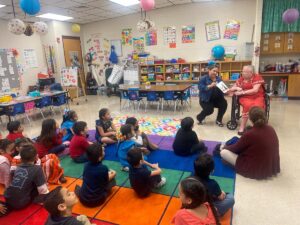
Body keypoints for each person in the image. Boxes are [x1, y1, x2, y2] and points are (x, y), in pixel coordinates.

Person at [220, 106, 280, 179]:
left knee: (223, 152)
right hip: (270, 164)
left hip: (255, 168)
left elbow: (235, 149)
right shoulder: (270, 128)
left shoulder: (251, 134)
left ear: (250, 119)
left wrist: (224, 147)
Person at [4, 144, 49, 211]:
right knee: (42, 185)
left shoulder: (17, 167)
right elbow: (42, 189)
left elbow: (10, 180)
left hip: (7, 197)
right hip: (20, 203)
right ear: (36, 157)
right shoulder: (37, 169)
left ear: (21, 159)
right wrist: (45, 198)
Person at [230, 65, 266, 135]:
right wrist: (236, 88)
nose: (243, 73)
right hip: (245, 97)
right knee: (247, 105)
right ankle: (242, 126)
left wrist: (242, 92)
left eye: (245, 72)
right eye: (243, 71)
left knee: (257, 106)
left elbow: (255, 90)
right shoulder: (241, 79)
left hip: (257, 96)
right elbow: (232, 88)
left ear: (251, 72)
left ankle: (256, 126)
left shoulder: (257, 77)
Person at [196, 62, 227, 127]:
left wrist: (228, 92)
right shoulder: (203, 78)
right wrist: (210, 86)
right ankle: (199, 117)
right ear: (209, 70)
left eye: (216, 71)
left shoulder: (219, 78)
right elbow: (200, 88)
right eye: (214, 71)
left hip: (217, 99)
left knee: (224, 104)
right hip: (206, 99)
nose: (215, 73)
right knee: (209, 110)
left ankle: (219, 120)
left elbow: (224, 89)